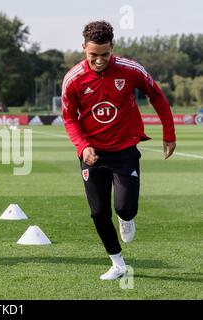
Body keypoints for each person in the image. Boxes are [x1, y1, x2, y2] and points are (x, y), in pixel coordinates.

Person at [61, 21, 176, 280]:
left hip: (124, 151)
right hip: (93, 154)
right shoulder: (73, 79)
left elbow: (156, 96)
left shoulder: (130, 69)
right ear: (83, 49)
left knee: (124, 208)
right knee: (98, 212)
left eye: (105, 54)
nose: (99, 60)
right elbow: (69, 117)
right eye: (93, 55)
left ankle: (126, 218)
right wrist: (82, 146)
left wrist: (169, 134)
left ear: (112, 47)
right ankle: (117, 263)